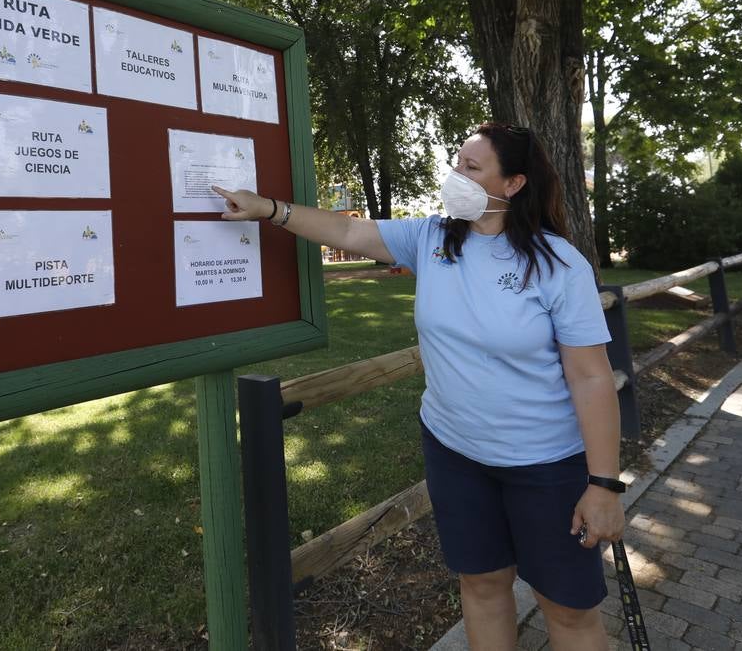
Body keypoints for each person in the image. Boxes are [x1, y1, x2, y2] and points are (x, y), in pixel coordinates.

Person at [213, 122, 623, 650]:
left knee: (567, 611)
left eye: (472, 168)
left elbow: (591, 377)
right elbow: (346, 233)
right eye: (457, 163)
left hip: (545, 466)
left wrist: (604, 484)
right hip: (456, 455)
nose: (456, 176)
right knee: (480, 585)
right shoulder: (431, 238)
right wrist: (269, 208)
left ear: (514, 184)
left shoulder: (558, 263)